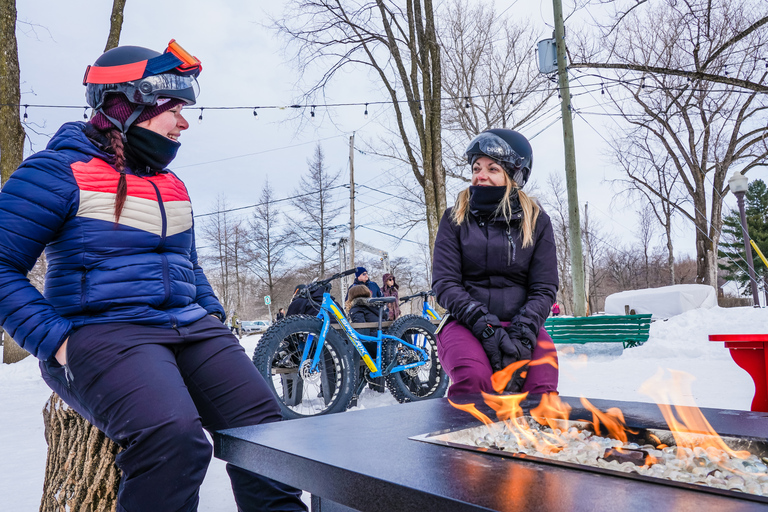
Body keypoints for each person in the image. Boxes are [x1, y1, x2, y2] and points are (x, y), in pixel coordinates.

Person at [0, 42, 306, 511]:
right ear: (129, 106)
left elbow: (188, 264)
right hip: (105, 332)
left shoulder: (171, 183)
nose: (184, 122)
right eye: (175, 109)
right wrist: (58, 341)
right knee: (175, 440)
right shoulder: (57, 170)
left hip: (190, 326)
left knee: (268, 431)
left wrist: (212, 314)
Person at [432, 128, 559, 397]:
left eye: (492, 169)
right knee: (475, 380)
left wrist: (523, 333)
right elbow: (445, 283)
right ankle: (462, 436)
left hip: (523, 323)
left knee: (541, 388)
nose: (480, 175)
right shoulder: (454, 218)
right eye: (477, 167)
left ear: (514, 176)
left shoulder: (537, 221)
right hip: (466, 322)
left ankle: (532, 439)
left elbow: (544, 288)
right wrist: (485, 326)